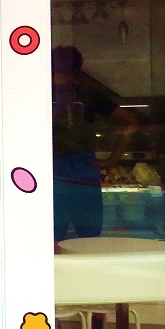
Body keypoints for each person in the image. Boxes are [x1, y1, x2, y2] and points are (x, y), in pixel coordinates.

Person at [51, 45, 138, 242]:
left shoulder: (37, 95)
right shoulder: (89, 94)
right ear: (77, 69)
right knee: (89, 241)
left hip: (53, 175)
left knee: (51, 242)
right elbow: (131, 121)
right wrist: (112, 160)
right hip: (84, 175)